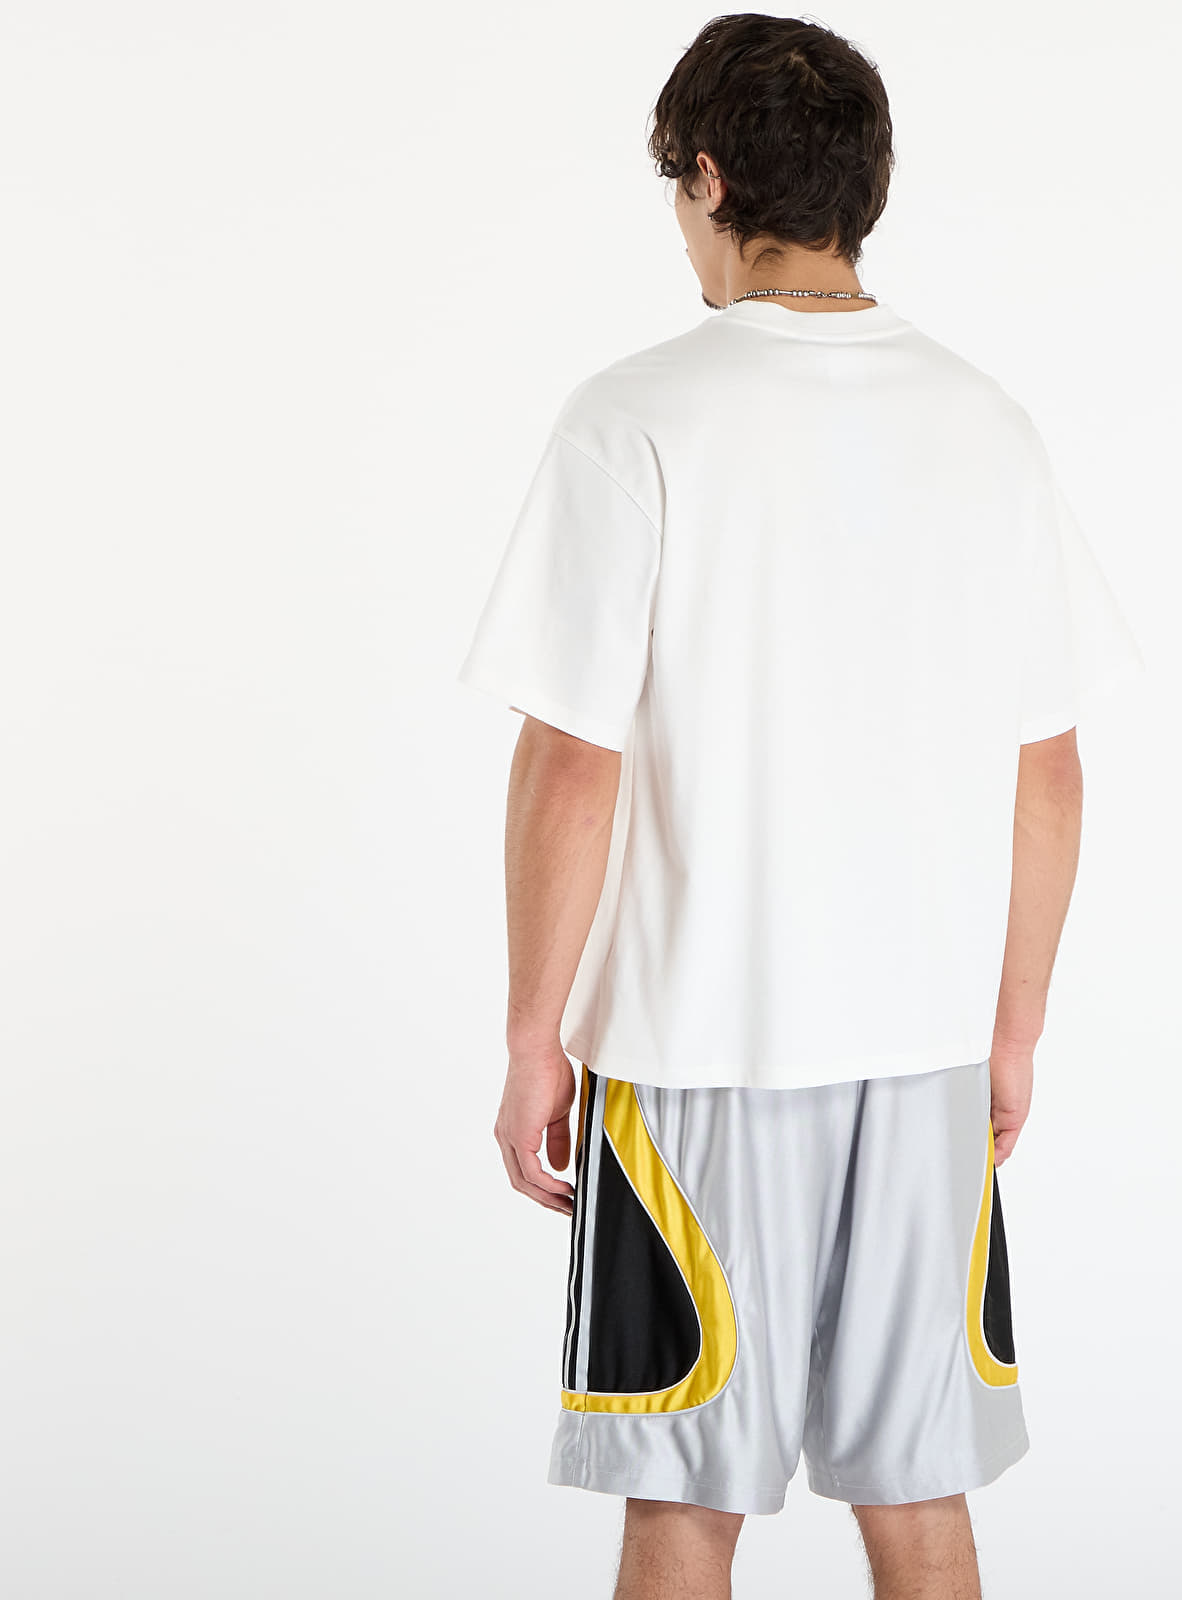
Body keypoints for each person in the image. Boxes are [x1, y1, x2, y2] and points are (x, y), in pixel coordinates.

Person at [458, 14, 1143, 1598]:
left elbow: (574, 758)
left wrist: (530, 1035)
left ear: (706, 177)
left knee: (682, 1506)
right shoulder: (983, 421)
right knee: (920, 1501)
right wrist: (1012, 1030)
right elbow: (1048, 764)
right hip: (924, 1057)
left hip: (696, 1051)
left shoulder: (637, 415)